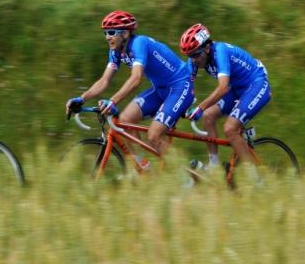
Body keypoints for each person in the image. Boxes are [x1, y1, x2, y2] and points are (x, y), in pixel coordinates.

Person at [64, 11, 194, 164]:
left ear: (125, 34)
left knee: (154, 135)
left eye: (111, 32)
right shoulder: (115, 52)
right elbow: (104, 80)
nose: (107, 37)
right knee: (125, 120)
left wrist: (112, 101)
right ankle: (142, 166)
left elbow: (136, 78)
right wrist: (82, 98)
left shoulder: (139, 44)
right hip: (161, 89)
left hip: (180, 87)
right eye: (105, 33)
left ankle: (185, 178)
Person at [179, 23, 271, 168]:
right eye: (190, 56)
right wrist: (182, 105)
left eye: (196, 55)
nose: (193, 60)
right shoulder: (195, 59)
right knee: (208, 116)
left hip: (256, 84)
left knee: (229, 129)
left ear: (207, 48)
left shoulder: (220, 52)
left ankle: (253, 180)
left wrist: (200, 107)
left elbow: (222, 87)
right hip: (236, 88)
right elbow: (186, 84)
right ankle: (214, 167)